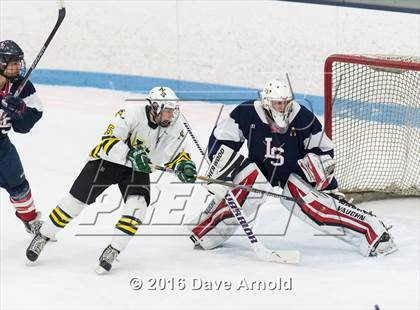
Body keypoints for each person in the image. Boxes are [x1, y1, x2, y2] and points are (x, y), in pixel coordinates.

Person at [188, 75, 397, 257]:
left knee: (319, 210)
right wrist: (221, 172)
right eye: (278, 103)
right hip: (259, 170)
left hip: (294, 174)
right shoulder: (247, 113)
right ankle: (206, 231)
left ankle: (374, 233)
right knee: (247, 189)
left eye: (286, 102)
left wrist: (319, 176)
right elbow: (221, 138)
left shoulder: (302, 117)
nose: (283, 107)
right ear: (267, 102)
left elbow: (324, 150)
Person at [26, 86, 197, 273]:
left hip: (137, 169)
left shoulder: (174, 126)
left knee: (138, 207)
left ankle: (113, 249)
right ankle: (43, 236)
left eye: (173, 111)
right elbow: (108, 141)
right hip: (107, 162)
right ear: (154, 107)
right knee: (76, 202)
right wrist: (131, 154)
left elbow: (179, 153)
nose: (171, 115)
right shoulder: (129, 114)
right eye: (167, 110)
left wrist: (185, 166)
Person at [0, 40, 43, 235]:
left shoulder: (22, 86)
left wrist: (21, 111)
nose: (19, 66)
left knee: (20, 187)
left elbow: (25, 126)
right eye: (14, 62)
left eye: (19, 61)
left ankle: (30, 220)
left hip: (2, 146)